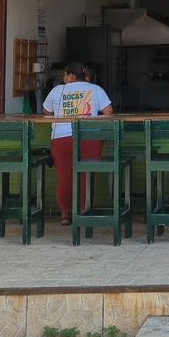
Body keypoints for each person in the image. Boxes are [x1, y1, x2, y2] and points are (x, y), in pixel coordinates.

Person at [42, 62, 114, 226]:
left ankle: (65, 215)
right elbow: (108, 112)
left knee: (64, 178)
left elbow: (46, 112)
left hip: (61, 138)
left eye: (65, 75)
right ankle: (83, 212)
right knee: (86, 177)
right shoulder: (95, 89)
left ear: (72, 76)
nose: (63, 78)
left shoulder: (57, 90)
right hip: (90, 138)